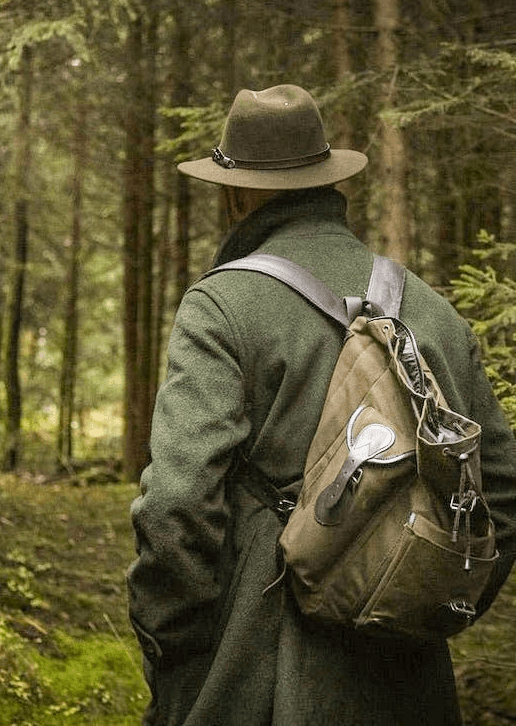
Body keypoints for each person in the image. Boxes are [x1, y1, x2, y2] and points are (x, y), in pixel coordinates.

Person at [126, 84, 516, 725]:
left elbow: (177, 508)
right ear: (324, 180)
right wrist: (430, 597)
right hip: (410, 679)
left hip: (258, 663)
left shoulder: (221, 307)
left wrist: (172, 643)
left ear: (239, 192)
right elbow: (500, 488)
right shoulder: (432, 310)